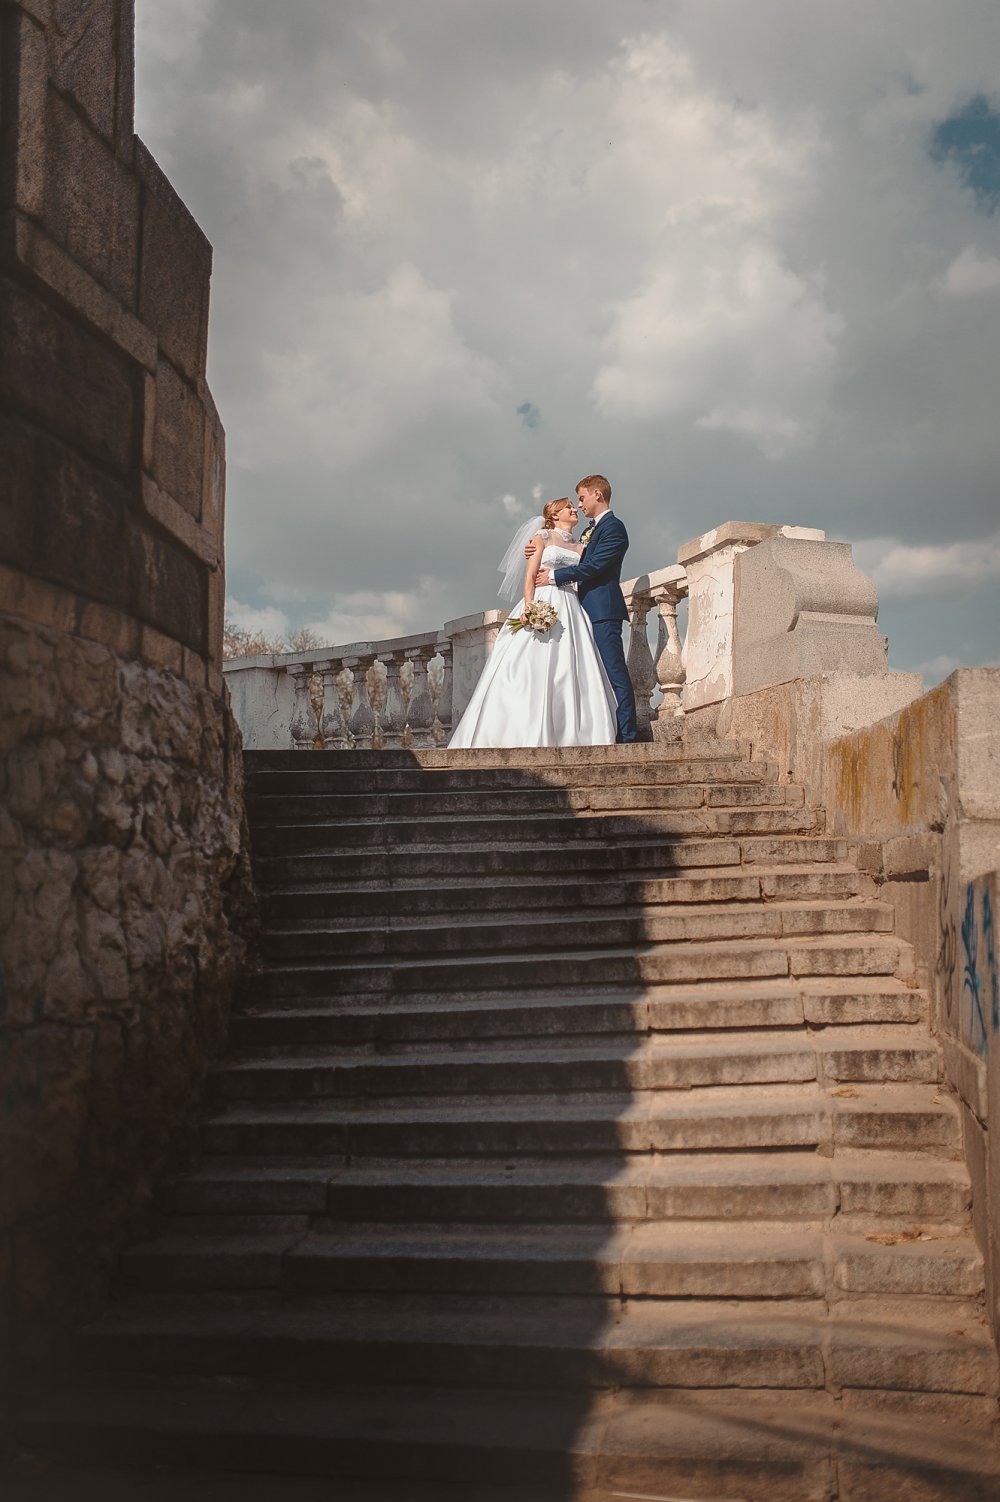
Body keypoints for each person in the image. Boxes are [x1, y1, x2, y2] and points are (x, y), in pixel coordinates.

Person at [448, 497, 618, 748]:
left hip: (570, 606)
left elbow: (587, 571)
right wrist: (530, 606)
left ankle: (570, 731)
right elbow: (529, 576)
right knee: (530, 665)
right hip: (543, 600)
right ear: (555, 514)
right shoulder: (542, 537)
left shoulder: (581, 545)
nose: (574, 509)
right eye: (568, 507)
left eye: (575, 505)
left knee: (571, 666)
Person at [533, 474, 638, 744]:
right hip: (580, 610)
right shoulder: (587, 532)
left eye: (581, 498)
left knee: (614, 671)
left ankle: (627, 734)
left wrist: (554, 576)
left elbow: (595, 566)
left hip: (603, 610)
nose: (579, 505)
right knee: (590, 673)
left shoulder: (614, 528)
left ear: (597, 495)